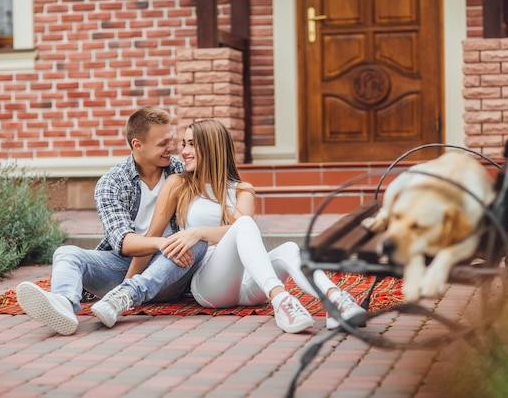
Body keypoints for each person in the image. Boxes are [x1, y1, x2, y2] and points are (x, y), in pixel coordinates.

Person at [126, 119, 367, 333]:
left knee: (289, 248)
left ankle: (337, 302)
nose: (184, 152)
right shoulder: (179, 184)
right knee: (243, 224)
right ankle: (281, 299)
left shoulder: (242, 190)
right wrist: (127, 285)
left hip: (251, 286)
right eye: (184, 145)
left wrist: (198, 232)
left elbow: (242, 228)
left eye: (191, 144)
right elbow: (153, 234)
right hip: (210, 285)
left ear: (211, 147)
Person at [16, 106, 207, 335]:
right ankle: (64, 305)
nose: (173, 148)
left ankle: (125, 296)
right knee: (65, 253)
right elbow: (124, 243)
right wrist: (161, 242)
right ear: (138, 145)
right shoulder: (112, 183)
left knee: (194, 240)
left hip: (172, 269)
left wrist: (171, 245)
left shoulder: (182, 171)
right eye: (163, 143)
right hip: (123, 268)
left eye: (172, 140)